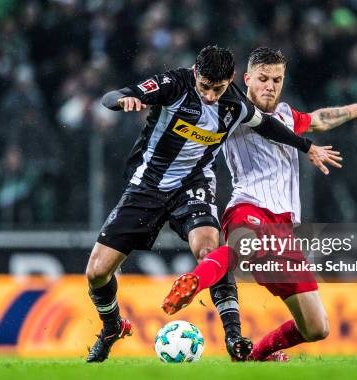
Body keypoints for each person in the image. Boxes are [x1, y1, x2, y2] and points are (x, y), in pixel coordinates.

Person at [86, 46, 341, 362]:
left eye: (217, 89)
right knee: (97, 272)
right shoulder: (173, 85)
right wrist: (123, 101)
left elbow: (268, 125)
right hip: (148, 187)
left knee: (209, 250)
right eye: (204, 86)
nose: (209, 95)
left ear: (230, 81)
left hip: (194, 185)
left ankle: (234, 338)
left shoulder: (234, 103)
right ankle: (112, 327)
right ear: (195, 73)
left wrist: (307, 147)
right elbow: (112, 95)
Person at [161, 47, 357, 361]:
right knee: (243, 243)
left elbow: (319, 119)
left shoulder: (286, 115)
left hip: (283, 228)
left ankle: (253, 358)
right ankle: (195, 280)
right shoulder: (231, 110)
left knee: (316, 328)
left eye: (277, 80)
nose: (270, 86)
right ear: (247, 79)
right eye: (263, 78)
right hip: (247, 208)